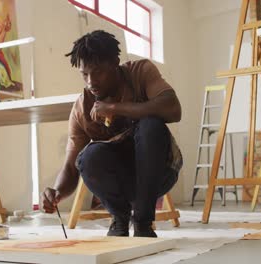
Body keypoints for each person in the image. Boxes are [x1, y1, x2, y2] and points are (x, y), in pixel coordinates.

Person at [41, 30, 183, 238]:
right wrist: (57, 191)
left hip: (160, 172)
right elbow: (72, 168)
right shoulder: (81, 109)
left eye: (98, 72)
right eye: (84, 74)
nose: (91, 82)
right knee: (88, 157)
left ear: (115, 63)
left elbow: (173, 108)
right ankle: (119, 218)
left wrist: (116, 108)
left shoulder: (139, 72)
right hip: (123, 182)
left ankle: (143, 223)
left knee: (150, 126)